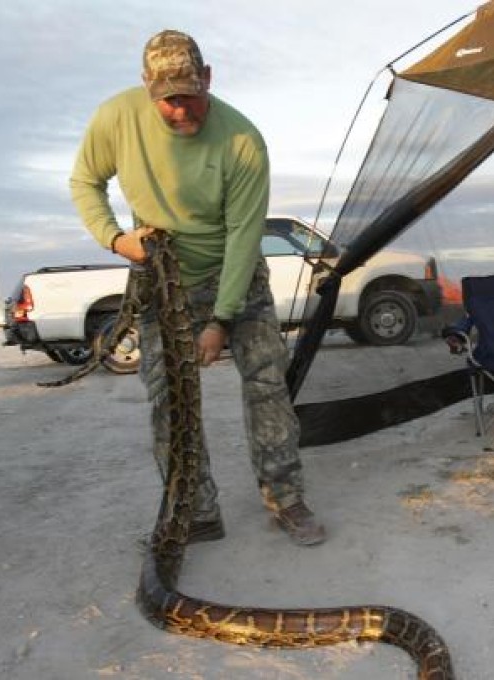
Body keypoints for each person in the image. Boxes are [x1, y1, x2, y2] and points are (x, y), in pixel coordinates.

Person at [69, 29, 326, 547]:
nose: (180, 110)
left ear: (208, 78)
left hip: (236, 276)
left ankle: (285, 496)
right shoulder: (116, 119)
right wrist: (116, 239)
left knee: (266, 384)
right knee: (167, 400)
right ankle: (196, 510)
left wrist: (221, 321)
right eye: (167, 100)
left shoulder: (242, 140)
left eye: (190, 94)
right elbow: (84, 182)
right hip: (160, 281)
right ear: (146, 88)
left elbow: (242, 235)